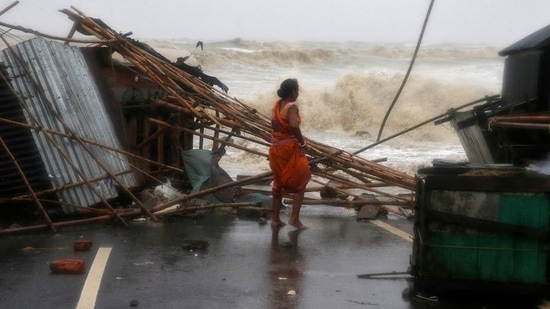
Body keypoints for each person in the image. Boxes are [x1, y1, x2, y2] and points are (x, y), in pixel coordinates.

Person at [269, 78, 311, 229]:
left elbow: (274, 126)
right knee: (302, 179)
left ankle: (275, 219)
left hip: (275, 149)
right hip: (289, 149)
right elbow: (293, 125)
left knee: (278, 182)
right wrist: (302, 142)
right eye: (297, 90)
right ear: (293, 91)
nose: (298, 93)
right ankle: (294, 219)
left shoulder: (276, 106)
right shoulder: (292, 107)